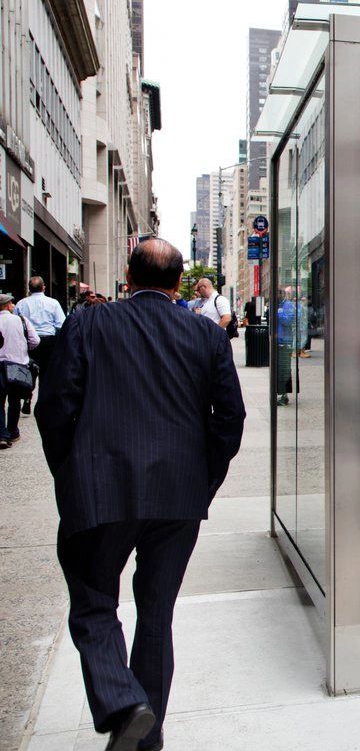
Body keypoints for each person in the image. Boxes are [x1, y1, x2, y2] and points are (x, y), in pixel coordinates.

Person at [36, 239, 245, 751]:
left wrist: (70, 472)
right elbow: (230, 419)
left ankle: (124, 705)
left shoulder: (88, 323)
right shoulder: (206, 335)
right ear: (178, 284)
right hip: (178, 495)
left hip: (100, 489)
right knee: (156, 614)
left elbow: (55, 405)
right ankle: (144, 737)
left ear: (128, 279)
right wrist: (204, 482)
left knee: (93, 603)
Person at [16, 276, 67, 410]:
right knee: (46, 373)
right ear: (44, 287)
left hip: (29, 341)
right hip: (48, 342)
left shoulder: (21, 303)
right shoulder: (53, 303)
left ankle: (27, 395)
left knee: (29, 371)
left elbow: (17, 322)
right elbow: (61, 324)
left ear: (29, 289)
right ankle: (43, 402)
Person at [0, 293, 39, 448]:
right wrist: (24, 349)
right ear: (8, 305)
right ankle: (13, 431)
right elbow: (35, 340)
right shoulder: (21, 320)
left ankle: (2, 435)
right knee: (15, 399)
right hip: (17, 364)